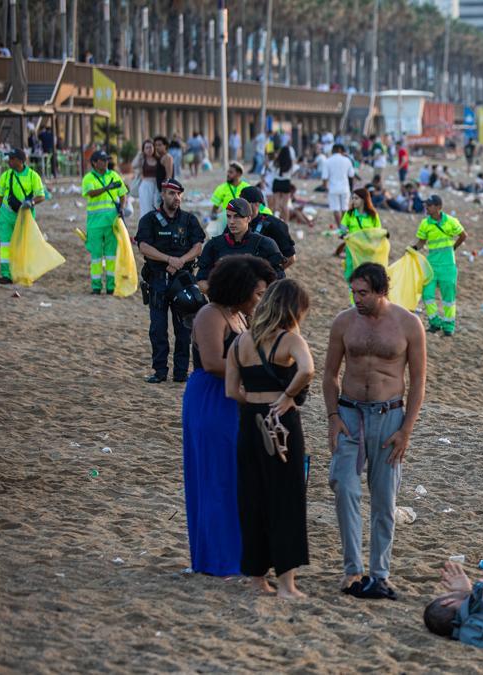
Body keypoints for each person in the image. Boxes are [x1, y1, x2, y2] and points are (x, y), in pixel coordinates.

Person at [323, 263, 427, 599]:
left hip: (389, 417)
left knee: (384, 499)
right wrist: (332, 417)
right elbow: (329, 374)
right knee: (344, 487)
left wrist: (406, 431)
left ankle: (380, 574)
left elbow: (418, 383)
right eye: (353, 292)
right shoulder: (344, 322)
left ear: (381, 290)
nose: (357, 299)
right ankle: (353, 571)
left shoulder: (408, 324)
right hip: (350, 415)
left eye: (363, 293)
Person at [183, 255, 276, 576]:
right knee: (216, 477)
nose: (260, 300)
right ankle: (217, 560)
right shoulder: (211, 314)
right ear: (240, 287)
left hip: (236, 397)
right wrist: (261, 373)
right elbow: (211, 362)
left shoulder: (239, 316)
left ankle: (237, 556)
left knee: (237, 479)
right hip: (212, 397)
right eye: (258, 293)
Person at [224, 279, 315, 599]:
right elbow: (307, 370)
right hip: (281, 423)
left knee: (252, 500)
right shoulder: (290, 340)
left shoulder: (240, 343)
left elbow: (231, 391)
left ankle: (256, 580)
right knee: (286, 500)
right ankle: (288, 586)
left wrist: (254, 400)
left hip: (250, 423)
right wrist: (288, 396)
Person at [136, 179, 206, 383]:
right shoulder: (149, 220)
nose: (176, 198)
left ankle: (181, 372)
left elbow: (199, 245)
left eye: (179, 195)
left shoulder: (189, 220)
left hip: (182, 281)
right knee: (157, 329)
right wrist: (168, 259)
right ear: (163, 195)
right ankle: (159, 371)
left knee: (183, 329)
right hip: (158, 281)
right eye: (171, 194)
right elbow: (143, 247)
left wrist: (180, 261)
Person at [196, 199, 285, 290]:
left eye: (237, 216)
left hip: (254, 301)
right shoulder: (214, 245)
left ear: (249, 218)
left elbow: (278, 281)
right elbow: (201, 281)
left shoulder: (265, 244)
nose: (232, 222)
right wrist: (222, 293)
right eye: (229, 216)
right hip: (222, 301)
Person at [411, 195, 467, 335]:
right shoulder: (425, 223)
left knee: (448, 297)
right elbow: (421, 242)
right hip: (431, 265)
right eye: (426, 205)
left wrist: (453, 248)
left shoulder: (451, 221)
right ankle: (434, 322)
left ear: (438, 207)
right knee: (427, 295)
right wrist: (412, 249)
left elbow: (463, 235)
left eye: (429, 205)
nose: (426, 207)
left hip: (448, 265)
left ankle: (448, 327)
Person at [80, 151, 128, 294]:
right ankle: (96, 286)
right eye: (102, 160)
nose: (106, 162)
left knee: (111, 256)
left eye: (106, 159)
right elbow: (91, 193)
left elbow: (123, 193)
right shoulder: (88, 178)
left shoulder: (113, 175)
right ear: (94, 163)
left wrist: (122, 208)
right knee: (96, 257)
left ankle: (110, 287)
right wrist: (108, 187)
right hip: (94, 224)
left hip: (111, 223)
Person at [0, 149, 46, 283]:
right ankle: (6, 275)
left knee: (22, 246)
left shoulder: (33, 176)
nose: (9, 161)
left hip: (25, 217)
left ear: (20, 161)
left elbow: (41, 196)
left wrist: (31, 202)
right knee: (5, 245)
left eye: (12, 159)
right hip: (5, 216)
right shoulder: (5, 176)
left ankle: (21, 273)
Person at [241, 186, 296, 269]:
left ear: (257, 204)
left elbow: (291, 258)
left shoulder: (275, 225)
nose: (241, 206)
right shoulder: (236, 221)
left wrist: (270, 275)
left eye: (244, 203)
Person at [339, 188, 384, 281]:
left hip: (367, 248)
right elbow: (342, 228)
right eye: (353, 198)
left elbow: (378, 232)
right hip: (352, 248)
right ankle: (352, 293)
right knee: (351, 273)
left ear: (364, 200)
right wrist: (344, 233)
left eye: (356, 198)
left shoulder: (373, 215)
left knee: (365, 273)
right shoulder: (349, 214)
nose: (353, 201)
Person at [323, 144, 356, 226]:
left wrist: (325, 187)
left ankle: (339, 227)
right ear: (341, 150)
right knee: (344, 208)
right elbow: (351, 175)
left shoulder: (328, 161)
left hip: (333, 188)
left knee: (335, 208)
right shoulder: (347, 160)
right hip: (345, 187)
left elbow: (324, 177)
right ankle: (344, 226)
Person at [132, 138, 169, 212]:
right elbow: (134, 165)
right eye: (147, 147)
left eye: (151, 147)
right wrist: (139, 154)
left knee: (157, 207)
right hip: (146, 186)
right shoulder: (142, 159)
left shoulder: (159, 159)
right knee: (146, 208)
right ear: (144, 149)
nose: (149, 149)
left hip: (157, 185)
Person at [270, 142, 298, 222]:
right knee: (285, 205)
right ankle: (286, 223)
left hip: (276, 182)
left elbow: (271, 169)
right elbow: (294, 171)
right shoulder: (290, 163)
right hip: (286, 182)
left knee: (276, 204)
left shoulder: (275, 162)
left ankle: (275, 221)